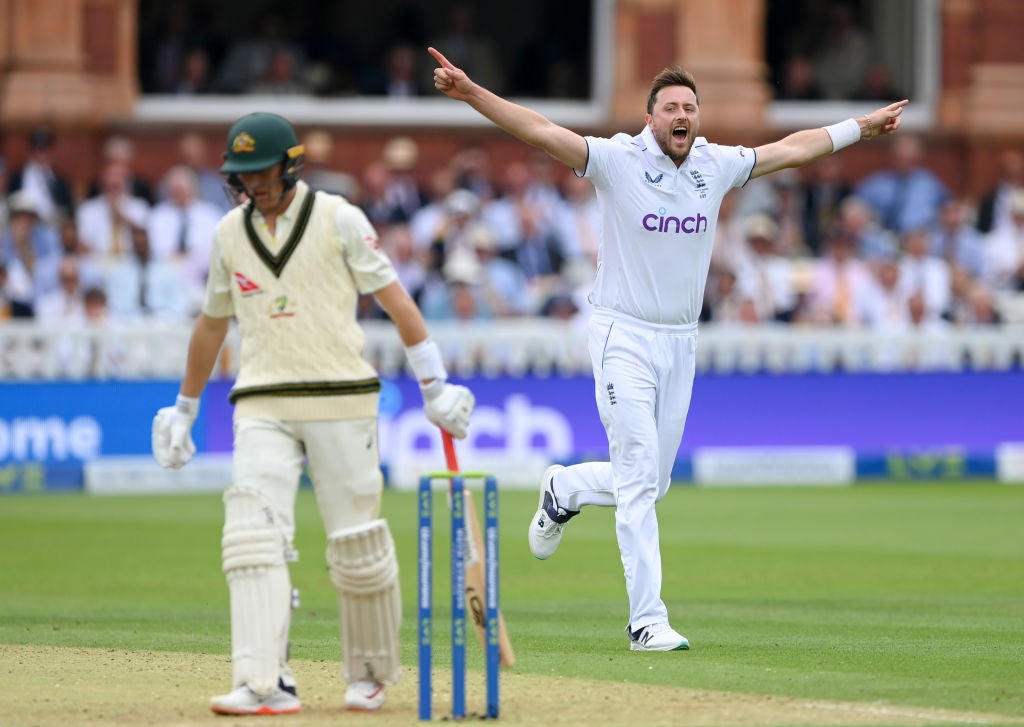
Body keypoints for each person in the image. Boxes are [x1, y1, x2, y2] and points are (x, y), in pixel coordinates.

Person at [429, 46, 907, 651]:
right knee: (636, 480)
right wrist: (472, 92)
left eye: (690, 107)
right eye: (670, 107)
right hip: (621, 333)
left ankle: (567, 489)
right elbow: (540, 130)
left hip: (681, 341)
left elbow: (791, 149)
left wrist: (860, 128)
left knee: (652, 483)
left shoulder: (717, 164)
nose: (682, 115)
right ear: (651, 117)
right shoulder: (616, 160)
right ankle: (646, 620)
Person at [150, 112, 475, 715]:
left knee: (356, 542)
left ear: (290, 164)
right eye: (242, 175)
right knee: (251, 535)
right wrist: (184, 407)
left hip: (341, 396)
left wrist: (434, 384)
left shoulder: (338, 218)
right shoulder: (228, 233)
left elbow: (395, 299)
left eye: (262, 170)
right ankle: (263, 680)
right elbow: (211, 324)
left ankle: (370, 671)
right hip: (262, 400)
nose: (254, 185)